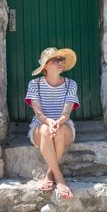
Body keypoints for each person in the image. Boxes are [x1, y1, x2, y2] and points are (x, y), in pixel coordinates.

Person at [25, 47, 80, 200]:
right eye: (55, 60)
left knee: (60, 130)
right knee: (44, 130)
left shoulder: (71, 84)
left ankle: (50, 173)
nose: (60, 62)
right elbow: (38, 112)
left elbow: (66, 113)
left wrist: (58, 122)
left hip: (64, 127)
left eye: (61, 59)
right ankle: (59, 177)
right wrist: (49, 121)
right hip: (40, 128)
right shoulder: (34, 84)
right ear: (46, 66)